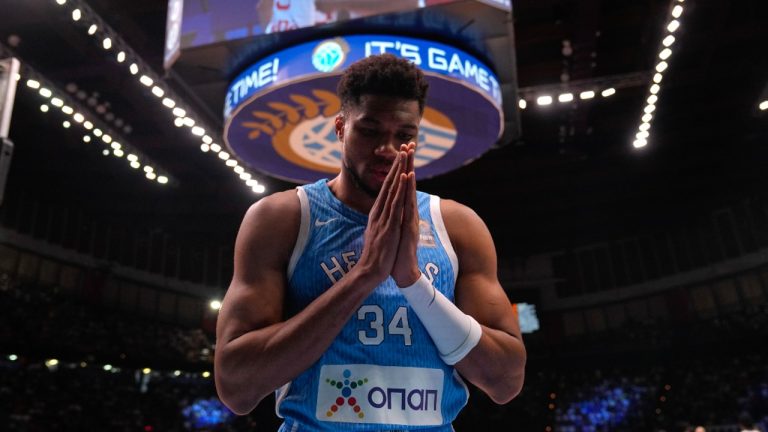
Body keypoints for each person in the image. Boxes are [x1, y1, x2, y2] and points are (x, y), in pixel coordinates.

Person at [214, 53, 526, 431]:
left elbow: (506, 381)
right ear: (340, 128)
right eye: (370, 131)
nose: (386, 149)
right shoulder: (282, 219)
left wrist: (413, 283)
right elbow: (235, 387)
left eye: (404, 135)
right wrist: (365, 274)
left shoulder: (458, 226)